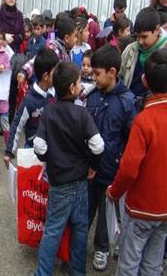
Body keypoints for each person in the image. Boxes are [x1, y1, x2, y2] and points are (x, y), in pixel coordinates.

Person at [33, 61, 105, 276]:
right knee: (80, 230)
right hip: (81, 183)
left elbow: (39, 145)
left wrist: (48, 158)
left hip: (59, 184)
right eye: (79, 82)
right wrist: (93, 166)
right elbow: (98, 145)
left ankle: (43, 273)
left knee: (53, 230)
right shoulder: (82, 113)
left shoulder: (48, 112)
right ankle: (77, 272)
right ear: (73, 88)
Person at [107, 48, 167, 276]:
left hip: (142, 207)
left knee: (129, 262)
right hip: (165, 209)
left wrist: (114, 192)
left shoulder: (144, 120)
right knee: (153, 262)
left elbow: (129, 168)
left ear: (144, 80)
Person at [86, 44, 137, 271]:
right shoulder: (93, 96)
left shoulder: (127, 102)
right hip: (89, 167)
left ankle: (102, 248)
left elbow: (131, 139)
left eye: (97, 73)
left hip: (110, 169)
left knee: (106, 213)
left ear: (112, 72)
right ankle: (76, 244)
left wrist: (121, 163)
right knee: (85, 209)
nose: (93, 77)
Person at [4, 49, 58, 167]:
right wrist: (9, 151)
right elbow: (16, 125)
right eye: (55, 72)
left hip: (52, 148)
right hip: (31, 150)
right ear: (45, 76)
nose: (58, 74)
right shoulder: (29, 101)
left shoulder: (55, 93)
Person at [120, 7, 167, 100]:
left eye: (144, 37)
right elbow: (120, 77)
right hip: (129, 104)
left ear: (157, 30)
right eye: (137, 37)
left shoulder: (165, 52)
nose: (140, 41)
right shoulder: (130, 50)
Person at [18, 17, 77, 85]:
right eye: (75, 36)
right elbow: (38, 61)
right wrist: (24, 72)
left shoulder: (66, 51)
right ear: (67, 38)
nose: (76, 39)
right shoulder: (55, 49)